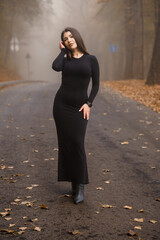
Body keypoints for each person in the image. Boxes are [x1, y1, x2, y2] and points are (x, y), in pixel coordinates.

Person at [52, 27, 100, 204]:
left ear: (77, 37)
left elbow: (95, 85)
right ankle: (73, 183)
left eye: (71, 36)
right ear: (63, 43)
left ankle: (79, 186)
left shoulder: (91, 59)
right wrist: (63, 51)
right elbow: (55, 67)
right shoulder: (65, 59)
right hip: (61, 106)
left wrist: (89, 103)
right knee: (66, 144)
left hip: (80, 108)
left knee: (77, 143)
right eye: (65, 38)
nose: (69, 39)